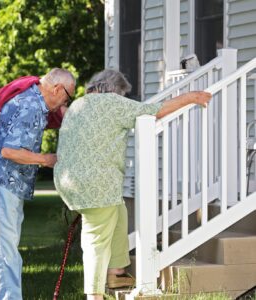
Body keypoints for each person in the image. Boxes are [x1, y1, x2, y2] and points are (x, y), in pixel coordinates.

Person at [53, 69, 211, 300]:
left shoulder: (78, 105)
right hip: (97, 185)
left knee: (119, 212)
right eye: (122, 94)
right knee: (95, 239)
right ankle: (94, 295)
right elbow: (154, 111)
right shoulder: (113, 103)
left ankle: (117, 272)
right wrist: (191, 97)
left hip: (71, 181)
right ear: (115, 90)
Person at [0, 68, 75, 300]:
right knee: (3, 250)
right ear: (57, 89)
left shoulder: (36, 102)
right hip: (0, 179)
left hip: (7, 181)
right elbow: (9, 151)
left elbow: (62, 113)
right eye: (67, 97)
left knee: (7, 248)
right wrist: (47, 159)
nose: (64, 103)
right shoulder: (29, 106)